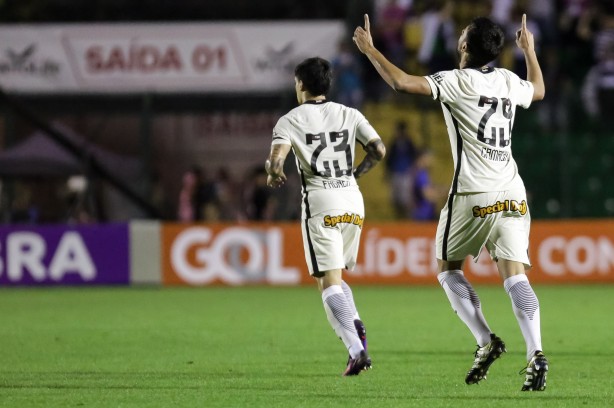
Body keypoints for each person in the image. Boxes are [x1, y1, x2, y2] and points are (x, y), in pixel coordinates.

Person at [353, 14, 549, 390]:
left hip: (473, 192)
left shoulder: (456, 81)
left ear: (463, 47)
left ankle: (485, 340)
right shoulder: (509, 80)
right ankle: (535, 352)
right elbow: (538, 90)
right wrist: (530, 51)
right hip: (511, 190)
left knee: (447, 268)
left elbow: (400, 82)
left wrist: (370, 50)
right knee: (515, 275)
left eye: (460, 35)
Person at [265, 57, 386, 376]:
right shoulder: (350, 113)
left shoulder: (290, 120)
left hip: (321, 200)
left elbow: (276, 160)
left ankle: (357, 351)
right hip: (352, 199)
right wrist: (357, 173)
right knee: (333, 278)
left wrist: (273, 174)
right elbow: (378, 150)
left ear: (301, 84)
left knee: (327, 283)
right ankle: (355, 329)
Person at [386, 120, 417, 218]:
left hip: (406, 173)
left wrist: (413, 171)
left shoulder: (409, 143)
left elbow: (414, 157)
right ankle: (398, 218)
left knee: (406, 199)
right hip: (395, 173)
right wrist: (387, 172)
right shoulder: (394, 143)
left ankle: (407, 218)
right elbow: (389, 159)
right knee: (395, 199)